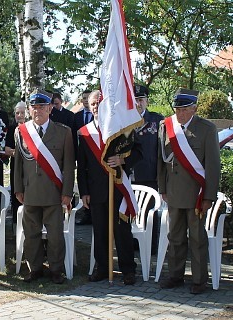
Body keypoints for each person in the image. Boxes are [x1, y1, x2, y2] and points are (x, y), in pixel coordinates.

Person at [157, 88, 220, 294]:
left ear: (194, 108)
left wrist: (209, 196)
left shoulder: (206, 129)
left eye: (184, 109)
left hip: (196, 194)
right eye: (177, 109)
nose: (179, 113)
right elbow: (161, 162)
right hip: (174, 192)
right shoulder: (166, 127)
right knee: (174, 236)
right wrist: (162, 188)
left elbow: (212, 165)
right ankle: (175, 276)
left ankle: (199, 280)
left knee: (197, 238)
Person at [76, 90, 138, 285]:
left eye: (99, 103)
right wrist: (84, 191)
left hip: (118, 188)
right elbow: (82, 165)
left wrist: (123, 159)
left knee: (122, 232)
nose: (95, 107)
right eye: (93, 104)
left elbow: (139, 152)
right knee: (100, 231)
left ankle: (128, 269)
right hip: (96, 191)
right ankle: (102, 268)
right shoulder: (84, 133)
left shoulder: (120, 129)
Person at [14, 92, 75, 284]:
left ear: (50, 108)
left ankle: (56, 270)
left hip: (54, 193)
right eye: (34, 107)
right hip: (30, 191)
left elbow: (68, 166)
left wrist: (67, 192)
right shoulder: (21, 131)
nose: (37, 110)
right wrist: (17, 189)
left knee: (55, 235)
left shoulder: (64, 132)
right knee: (31, 234)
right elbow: (17, 164)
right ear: (29, 109)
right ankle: (35, 268)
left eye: (42, 106)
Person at [127, 84, 165, 251]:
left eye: (141, 100)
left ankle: (152, 246)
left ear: (147, 101)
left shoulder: (157, 120)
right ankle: (133, 244)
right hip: (129, 175)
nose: (138, 103)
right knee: (131, 212)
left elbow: (162, 150)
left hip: (150, 175)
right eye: (135, 100)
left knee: (150, 213)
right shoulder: (124, 121)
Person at [73, 90, 96, 225]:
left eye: (89, 98)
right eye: (84, 98)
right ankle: (86, 212)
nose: (86, 101)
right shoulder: (76, 117)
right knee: (84, 183)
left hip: (95, 155)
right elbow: (73, 137)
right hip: (82, 155)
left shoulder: (100, 115)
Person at [5, 101, 27, 227]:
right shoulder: (12, 128)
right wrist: (22, 153)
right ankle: (16, 223)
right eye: (17, 113)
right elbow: (8, 150)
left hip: (29, 168)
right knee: (17, 192)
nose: (19, 115)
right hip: (16, 166)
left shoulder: (31, 127)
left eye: (22, 112)